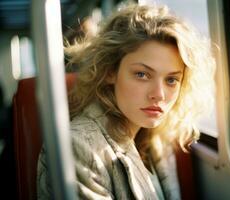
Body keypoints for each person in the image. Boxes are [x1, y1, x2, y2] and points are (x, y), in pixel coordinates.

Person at [37, 3, 215, 200]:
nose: (159, 94)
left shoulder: (158, 140)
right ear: (110, 71)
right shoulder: (77, 148)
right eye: (142, 74)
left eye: (171, 80)